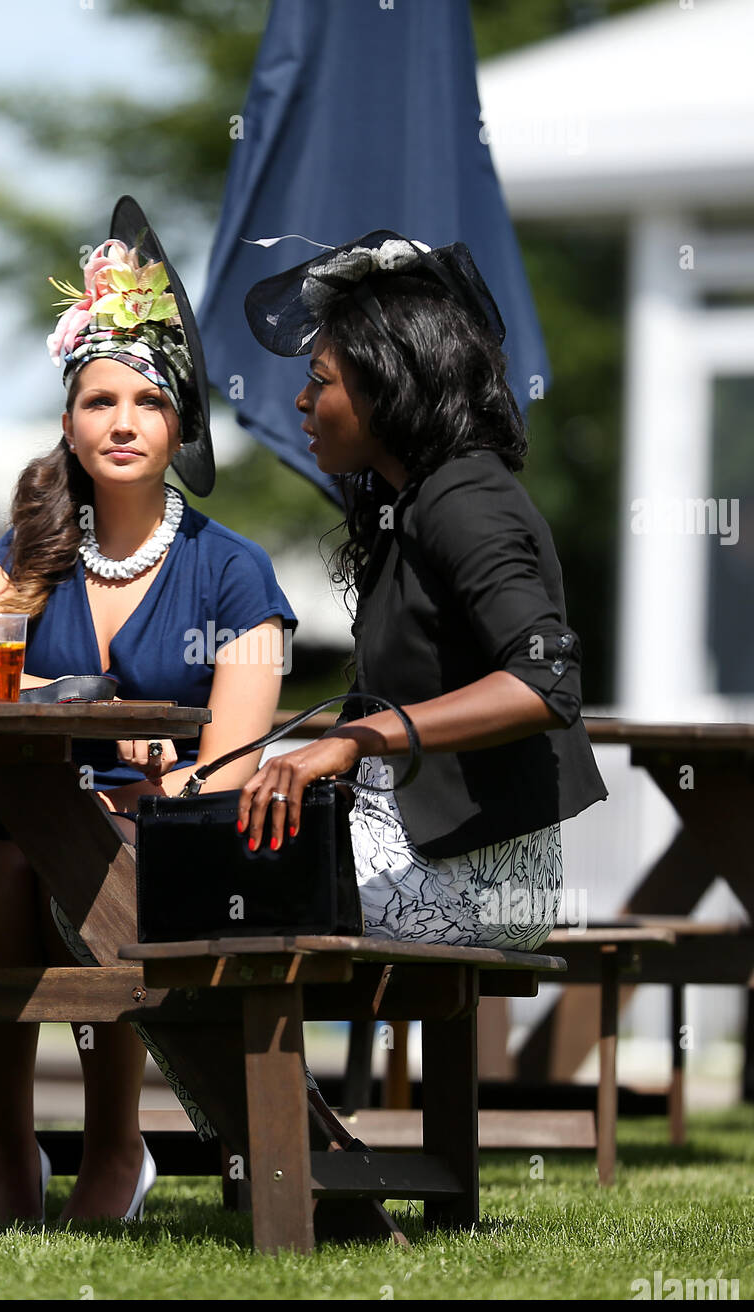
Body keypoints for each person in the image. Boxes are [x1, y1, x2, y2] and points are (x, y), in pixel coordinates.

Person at [0, 198, 296, 1224]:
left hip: (170, 832)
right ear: (68, 421)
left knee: (101, 866)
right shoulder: (28, 552)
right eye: (99, 401)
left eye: (146, 400)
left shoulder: (236, 570)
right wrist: (76, 707)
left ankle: (114, 1145)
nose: (123, 422)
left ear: (178, 422)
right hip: (26, 827)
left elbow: (233, 757)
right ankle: (12, 1152)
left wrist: (164, 781)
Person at [238, 232, 608, 949]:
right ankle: (288, 1072)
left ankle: (284, 1072)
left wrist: (357, 737)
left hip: (472, 876)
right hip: (412, 852)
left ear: (385, 383)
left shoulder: (464, 493)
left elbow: (546, 682)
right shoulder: (410, 504)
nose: (302, 398)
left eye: (323, 379)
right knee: (147, 894)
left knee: (169, 907)